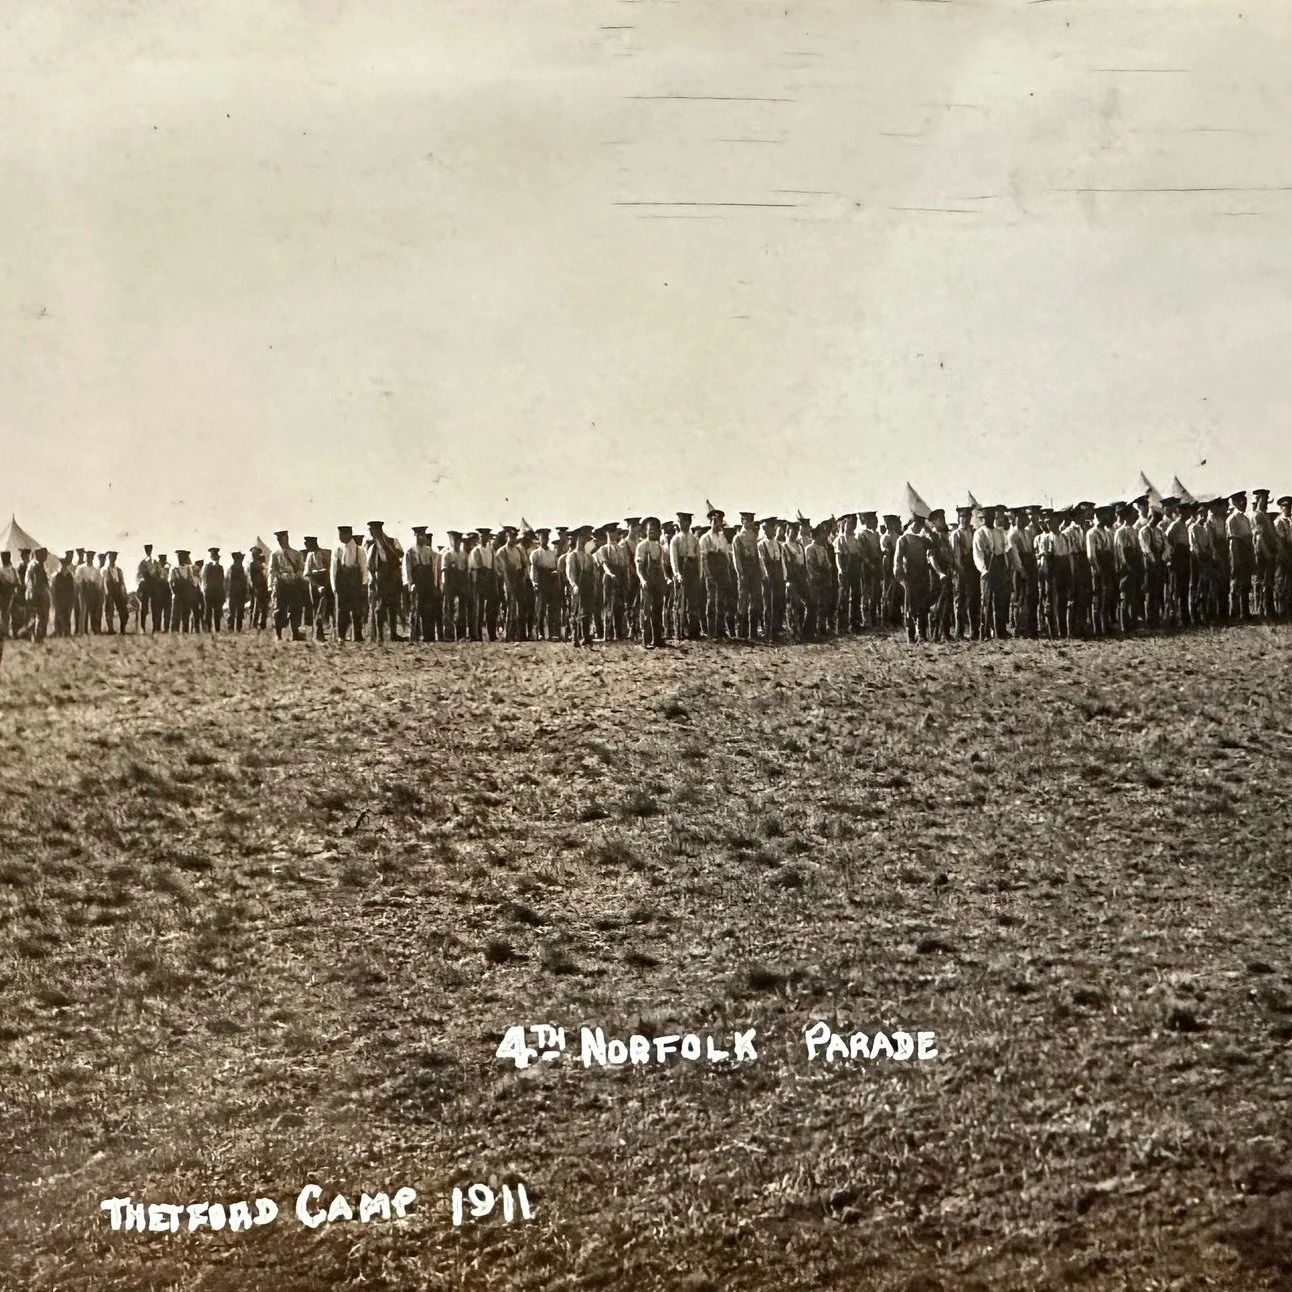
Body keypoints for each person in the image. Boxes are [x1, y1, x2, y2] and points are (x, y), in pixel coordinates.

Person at [893, 512, 934, 643]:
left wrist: (929, 532)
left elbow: (934, 545)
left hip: (922, 575)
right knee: (910, 605)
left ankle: (922, 633)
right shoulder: (903, 539)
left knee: (923, 605)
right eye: (918, 524)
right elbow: (897, 561)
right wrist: (901, 579)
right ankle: (910, 634)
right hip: (910, 576)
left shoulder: (923, 539)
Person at [364, 521, 405, 642]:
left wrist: (388, 545)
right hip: (380, 579)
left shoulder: (392, 541)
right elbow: (369, 565)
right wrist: (372, 580)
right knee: (380, 606)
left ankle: (393, 634)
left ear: (379, 531)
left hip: (392, 577)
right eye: (370, 531)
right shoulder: (371, 546)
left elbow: (400, 553)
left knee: (393, 605)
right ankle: (379, 636)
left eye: (373, 531)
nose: (371, 533)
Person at [634, 516, 668, 649]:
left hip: (658, 581)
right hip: (647, 580)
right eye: (649, 529)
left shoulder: (660, 547)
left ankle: (658, 638)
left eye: (654, 529)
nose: (651, 532)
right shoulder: (642, 546)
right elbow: (639, 565)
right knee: (647, 610)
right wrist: (643, 579)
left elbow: (662, 565)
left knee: (658, 609)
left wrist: (665, 580)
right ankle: (646, 640)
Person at [669, 511, 703, 640]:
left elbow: (698, 557)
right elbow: (674, 558)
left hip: (692, 568)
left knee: (693, 601)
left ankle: (694, 630)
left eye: (685, 522)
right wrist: (677, 573)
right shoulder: (675, 539)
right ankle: (680, 631)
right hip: (682, 568)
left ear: (689, 523)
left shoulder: (694, 539)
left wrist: (699, 573)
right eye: (680, 522)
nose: (683, 524)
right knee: (680, 602)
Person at [732, 511, 764, 640]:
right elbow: (737, 558)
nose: (749, 523)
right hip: (744, 571)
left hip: (754, 570)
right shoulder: (738, 538)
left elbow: (759, 556)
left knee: (755, 600)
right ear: (742, 521)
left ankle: (753, 631)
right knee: (743, 601)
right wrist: (740, 573)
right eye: (747, 521)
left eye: (751, 521)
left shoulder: (755, 536)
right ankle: (742, 631)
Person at [269, 530, 307, 641]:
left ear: (287, 538)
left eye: (282, 538)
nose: (280, 541)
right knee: (279, 610)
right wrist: (280, 577)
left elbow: (301, 568)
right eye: (278, 539)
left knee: (295, 609)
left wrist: (296, 575)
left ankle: (295, 633)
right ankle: (279, 634)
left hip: (294, 584)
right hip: (281, 584)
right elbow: (272, 570)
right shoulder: (275, 554)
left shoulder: (296, 554)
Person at [565, 525, 597, 647]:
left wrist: (594, 584)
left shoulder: (589, 557)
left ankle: (586, 636)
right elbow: (570, 572)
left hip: (587, 586)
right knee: (575, 611)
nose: (584, 541)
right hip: (577, 586)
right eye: (583, 538)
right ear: (577, 538)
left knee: (587, 612)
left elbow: (593, 573)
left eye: (586, 539)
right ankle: (575, 637)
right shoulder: (572, 556)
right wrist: (574, 585)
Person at [1226, 491, 1254, 621]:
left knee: (1246, 583)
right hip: (1238, 551)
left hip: (1247, 550)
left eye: (1245, 501)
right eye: (1241, 501)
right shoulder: (1233, 519)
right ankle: (1235, 612)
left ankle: (1245, 611)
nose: (1244, 504)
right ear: (1235, 503)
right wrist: (1235, 559)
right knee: (1237, 583)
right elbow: (1233, 540)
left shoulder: (1245, 518)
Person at [467, 527, 499, 641]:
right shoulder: (476, 550)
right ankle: (477, 634)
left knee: (491, 608)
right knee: (478, 608)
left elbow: (494, 565)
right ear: (479, 538)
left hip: (490, 578)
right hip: (479, 579)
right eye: (482, 536)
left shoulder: (490, 550)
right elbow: (478, 566)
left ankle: (492, 634)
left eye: (486, 536)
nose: (484, 538)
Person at [530, 528, 561, 640]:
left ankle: (553, 633)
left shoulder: (552, 553)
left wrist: (555, 575)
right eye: (542, 538)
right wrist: (535, 582)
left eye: (546, 538)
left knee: (552, 608)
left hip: (551, 581)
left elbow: (555, 567)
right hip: (541, 581)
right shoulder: (535, 553)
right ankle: (540, 632)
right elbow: (533, 569)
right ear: (539, 539)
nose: (545, 540)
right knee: (541, 608)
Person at [758, 517, 786, 641]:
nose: (772, 531)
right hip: (768, 577)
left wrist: (784, 575)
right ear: (764, 529)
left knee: (779, 602)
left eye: (773, 528)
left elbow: (782, 562)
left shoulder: (779, 544)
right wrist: (766, 575)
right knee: (768, 603)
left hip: (778, 576)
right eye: (769, 528)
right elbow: (761, 561)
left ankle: (777, 629)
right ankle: (768, 630)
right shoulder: (761, 544)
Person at [25, 547, 51, 643]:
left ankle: (32, 636)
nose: (45, 558)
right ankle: (38, 636)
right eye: (44, 555)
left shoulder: (31, 564)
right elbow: (38, 582)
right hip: (38, 594)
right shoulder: (38, 565)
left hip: (31, 593)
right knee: (41, 616)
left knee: (33, 616)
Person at [102, 551, 128, 633]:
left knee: (124, 611)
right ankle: (111, 629)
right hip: (110, 591)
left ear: (116, 559)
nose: (112, 560)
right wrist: (107, 592)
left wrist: (124, 593)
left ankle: (122, 629)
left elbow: (122, 582)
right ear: (109, 559)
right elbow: (104, 582)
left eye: (114, 558)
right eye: (111, 558)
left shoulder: (119, 570)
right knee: (109, 611)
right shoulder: (105, 570)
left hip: (118, 591)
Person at [201, 548, 226, 632]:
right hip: (209, 591)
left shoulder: (221, 568)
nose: (216, 558)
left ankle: (217, 629)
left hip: (218, 592)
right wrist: (205, 590)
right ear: (211, 557)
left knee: (217, 611)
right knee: (208, 611)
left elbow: (222, 581)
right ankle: (207, 629)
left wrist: (223, 593)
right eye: (214, 556)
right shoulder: (208, 566)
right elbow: (204, 579)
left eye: (217, 557)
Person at [227, 551, 249, 631]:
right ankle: (231, 627)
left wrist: (246, 592)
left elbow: (245, 581)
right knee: (232, 611)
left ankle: (239, 628)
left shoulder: (242, 569)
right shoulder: (231, 569)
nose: (241, 560)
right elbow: (228, 581)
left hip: (241, 593)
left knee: (240, 611)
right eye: (239, 559)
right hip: (233, 592)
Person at [248, 547, 269, 629]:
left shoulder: (262, 564)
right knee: (256, 607)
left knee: (264, 607)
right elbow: (252, 578)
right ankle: (254, 624)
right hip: (257, 587)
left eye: (255, 554)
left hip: (263, 587)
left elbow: (265, 574)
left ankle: (262, 624)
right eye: (253, 554)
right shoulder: (252, 564)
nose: (254, 555)